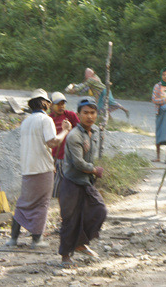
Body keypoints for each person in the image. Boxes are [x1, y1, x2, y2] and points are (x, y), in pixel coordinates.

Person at [5, 89, 72, 248]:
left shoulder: (26, 121)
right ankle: (37, 239)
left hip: (28, 168)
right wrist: (65, 131)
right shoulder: (45, 120)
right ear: (45, 103)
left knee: (24, 203)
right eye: (48, 103)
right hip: (42, 169)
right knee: (42, 203)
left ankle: (13, 239)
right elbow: (52, 142)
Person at [59, 97, 108, 267]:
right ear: (78, 115)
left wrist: (92, 173)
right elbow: (78, 163)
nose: (89, 116)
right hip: (71, 183)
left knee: (99, 210)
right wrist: (95, 170)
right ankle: (65, 256)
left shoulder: (92, 133)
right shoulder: (74, 135)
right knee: (69, 219)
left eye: (92, 112)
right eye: (85, 113)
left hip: (86, 182)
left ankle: (81, 243)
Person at [49, 92, 80, 198]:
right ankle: (63, 210)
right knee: (58, 189)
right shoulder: (49, 119)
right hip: (56, 158)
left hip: (69, 157)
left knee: (72, 186)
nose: (61, 106)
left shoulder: (70, 115)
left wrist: (70, 129)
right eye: (58, 104)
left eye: (63, 104)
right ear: (51, 105)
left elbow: (80, 131)